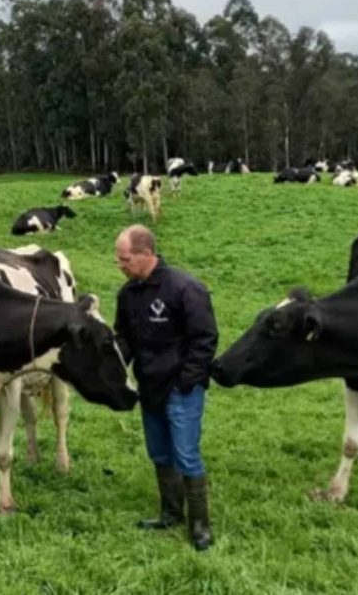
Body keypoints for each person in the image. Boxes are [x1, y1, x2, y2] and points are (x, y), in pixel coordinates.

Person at [113, 225, 219, 551]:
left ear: (147, 254)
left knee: (186, 455)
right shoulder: (127, 294)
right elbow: (124, 339)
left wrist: (187, 380)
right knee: (159, 452)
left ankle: (200, 525)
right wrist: (113, 366)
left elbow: (205, 339)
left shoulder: (185, 288)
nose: (120, 265)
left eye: (125, 258)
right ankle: (170, 513)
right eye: (118, 259)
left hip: (180, 388)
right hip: (149, 386)